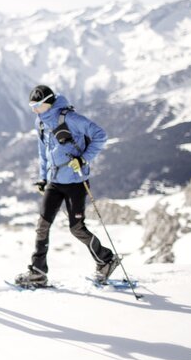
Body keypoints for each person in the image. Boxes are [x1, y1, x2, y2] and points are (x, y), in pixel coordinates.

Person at [14, 85, 119, 288]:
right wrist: (43, 178)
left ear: (49, 102)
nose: (34, 110)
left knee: (76, 228)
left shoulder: (71, 118)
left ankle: (106, 260)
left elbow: (100, 135)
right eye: (31, 106)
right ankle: (38, 272)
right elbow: (42, 151)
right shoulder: (41, 123)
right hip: (55, 181)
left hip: (76, 182)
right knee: (42, 226)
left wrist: (84, 159)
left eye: (38, 105)